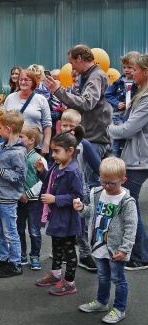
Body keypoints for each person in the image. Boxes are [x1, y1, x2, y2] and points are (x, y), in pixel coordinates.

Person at [74, 157, 138, 324]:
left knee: (118, 279)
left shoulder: (127, 201)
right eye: (103, 181)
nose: (107, 186)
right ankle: (102, 302)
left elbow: (131, 227)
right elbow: (92, 212)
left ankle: (119, 309)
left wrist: (125, 249)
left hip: (116, 249)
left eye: (112, 183)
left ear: (123, 180)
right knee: (102, 276)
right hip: (98, 245)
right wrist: (82, 208)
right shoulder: (97, 193)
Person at [44, 45, 111, 185]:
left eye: (72, 62)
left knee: (86, 184)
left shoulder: (95, 76)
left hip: (94, 138)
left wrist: (59, 91)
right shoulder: (90, 76)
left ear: (79, 58)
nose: (72, 66)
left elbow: (87, 103)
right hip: (93, 137)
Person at [107, 53, 148, 270]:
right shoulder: (140, 93)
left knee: (129, 205)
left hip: (139, 159)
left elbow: (128, 129)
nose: (132, 72)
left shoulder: (146, 97)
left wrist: (110, 128)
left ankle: (141, 255)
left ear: (145, 72)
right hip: (137, 156)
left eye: (136, 69)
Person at [35, 129, 84, 296]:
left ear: (70, 151)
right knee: (56, 246)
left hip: (68, 219)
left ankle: (69, 283)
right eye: (53, 151)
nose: (53, 155)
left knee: (69, 251)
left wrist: (55, 199)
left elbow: (77, 196)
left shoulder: (73, 171)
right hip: (57, 216)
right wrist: (42, 172)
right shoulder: (57, 166)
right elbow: (50, 183)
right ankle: (55, 274)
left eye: (57, 151)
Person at [0, 110, 27, 278]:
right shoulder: (2, 145)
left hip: (7, 199)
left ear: (8, 129)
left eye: (0, 128)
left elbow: (20, 177)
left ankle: (15, 263)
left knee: (10, 232)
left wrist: (0, 171)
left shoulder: (18, 152)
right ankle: (2, 257)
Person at [59, 109, 101, 271]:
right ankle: (63, 250)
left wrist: (108, 181)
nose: (68, 129)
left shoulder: (84, 144)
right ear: (60, 125)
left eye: (72, 126)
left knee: (81, 224)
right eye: (65, 125)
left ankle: (84, 254)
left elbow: (98, 166)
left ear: (79, 127)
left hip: (79, 191)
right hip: (60, 191)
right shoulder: (57, 143)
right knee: (61, 222)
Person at [17, 124, 46, 271]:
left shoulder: (39, 159)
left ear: (31, 140)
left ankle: (35, 255)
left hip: (33, 201)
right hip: (19, 199)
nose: (18, 138)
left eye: (21, 136)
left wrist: (28, 194)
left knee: (34, 230)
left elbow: (43, 181)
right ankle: (21, 253)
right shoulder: (18, 155)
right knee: (19, 228)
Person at [4, 68, 52, 155]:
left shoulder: (41, 99)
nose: (23, 82)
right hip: (13, 146)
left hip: (35, 147)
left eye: (26, 80)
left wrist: (46, 145)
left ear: (33, 82)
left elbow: (47, 124)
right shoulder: (10, 98)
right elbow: (4, 121)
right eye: (20, 79)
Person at [105, 51, 139, 157]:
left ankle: (126, 157)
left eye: (130, 67)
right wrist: (117, 103)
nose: (126, 70)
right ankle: (115, 157)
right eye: (124, 67)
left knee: (128, 138)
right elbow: (107, 94)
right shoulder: (119, 81)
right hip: (119, 115)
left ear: (137, 67)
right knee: (117, 137)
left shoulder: (139, 82)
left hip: (132, 115)